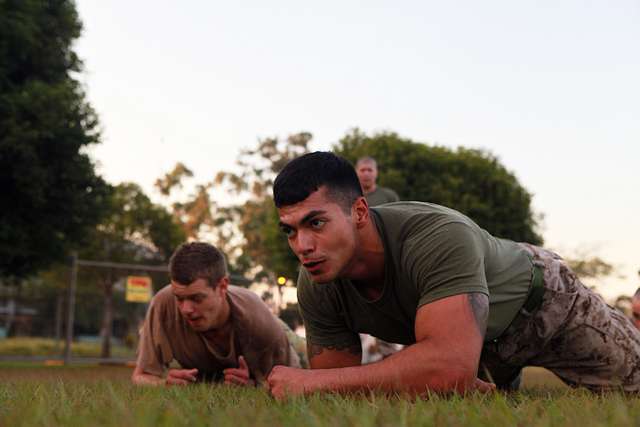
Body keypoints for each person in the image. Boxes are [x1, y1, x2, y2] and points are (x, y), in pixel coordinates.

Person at [265, 151, 640, 399]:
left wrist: (310, 384)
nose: (303, 245)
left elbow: (446, 365)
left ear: (360, 212)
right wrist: (315, 385)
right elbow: (335, 387)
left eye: (316, 223)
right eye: (291, 231)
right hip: (469, 344)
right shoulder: (317, 284)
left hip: (544, 305)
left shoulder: (436, 235)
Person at [132, 242, 304, 387]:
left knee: (316, 361)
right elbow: (141, 376)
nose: (186, 309)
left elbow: (292, 384)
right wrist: (164, 384)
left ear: (222, 286)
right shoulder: (163, 304)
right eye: (179, 298)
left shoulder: (259, 321)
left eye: (196, 298)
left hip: (282, 334)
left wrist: (254, 385)